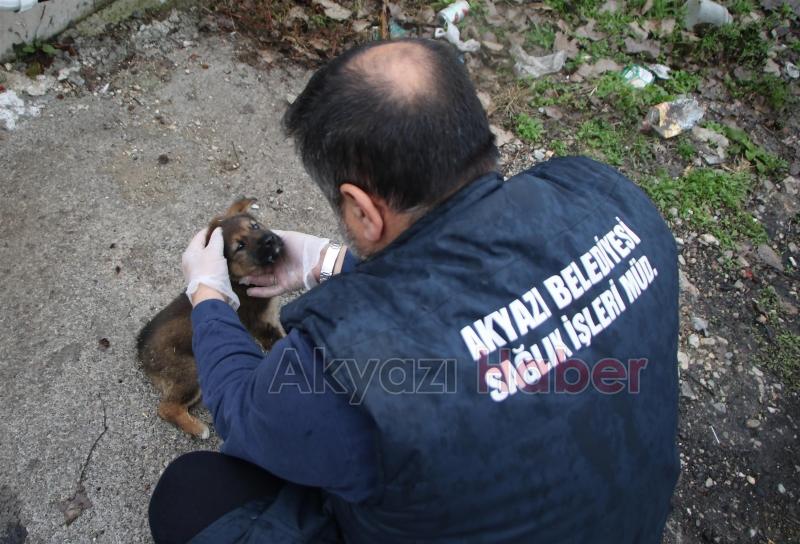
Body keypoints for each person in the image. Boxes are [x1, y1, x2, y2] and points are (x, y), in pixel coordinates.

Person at [148, 38, 680, 544]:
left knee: (190, 493)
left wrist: (210, 295)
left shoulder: (340, 366)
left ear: (361, 209)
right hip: (630, 519)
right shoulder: (605, 194)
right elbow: (471, 292)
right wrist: (333, 263)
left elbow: (242, 410)